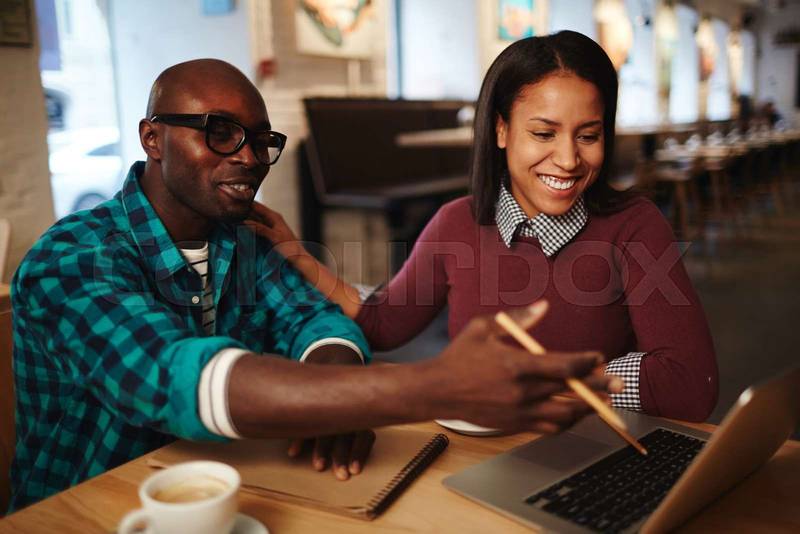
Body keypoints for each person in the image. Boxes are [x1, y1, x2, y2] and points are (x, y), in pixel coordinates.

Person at [9, 59, 620, 511]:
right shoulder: (73, 257)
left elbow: (316, 320)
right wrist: (436, 386)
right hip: (89, 509)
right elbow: (172, 376)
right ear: (152, 138)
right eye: (220, 132)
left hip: (234, 491)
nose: (248, 157)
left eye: (261, 141)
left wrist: (336, 395)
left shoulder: (244, 242)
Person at [247, 31, 718, 422]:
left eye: (589, 135)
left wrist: (541, 387)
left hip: (591, 449)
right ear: (500, 129)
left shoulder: (635, 226)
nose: (569, 159)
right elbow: (382, 322)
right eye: (543, 133)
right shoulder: (456, 222)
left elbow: (690, 384)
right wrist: (297, 253)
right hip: (477, 452)